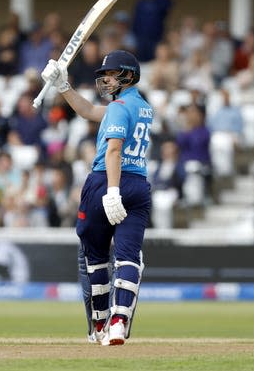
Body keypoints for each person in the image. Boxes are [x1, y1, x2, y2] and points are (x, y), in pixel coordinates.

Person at [41, 50, 152, 346]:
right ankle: (119, 322)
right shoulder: (141, 106)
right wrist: (63, 87)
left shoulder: (119, 107)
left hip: (106, 180)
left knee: (96, 257)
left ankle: (101, 323)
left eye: (111, 74)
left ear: (127, 75)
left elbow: (114, 150)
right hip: (139, 184)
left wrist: (112, 190)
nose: (105, 79)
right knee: (129, 255)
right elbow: (89, 111)